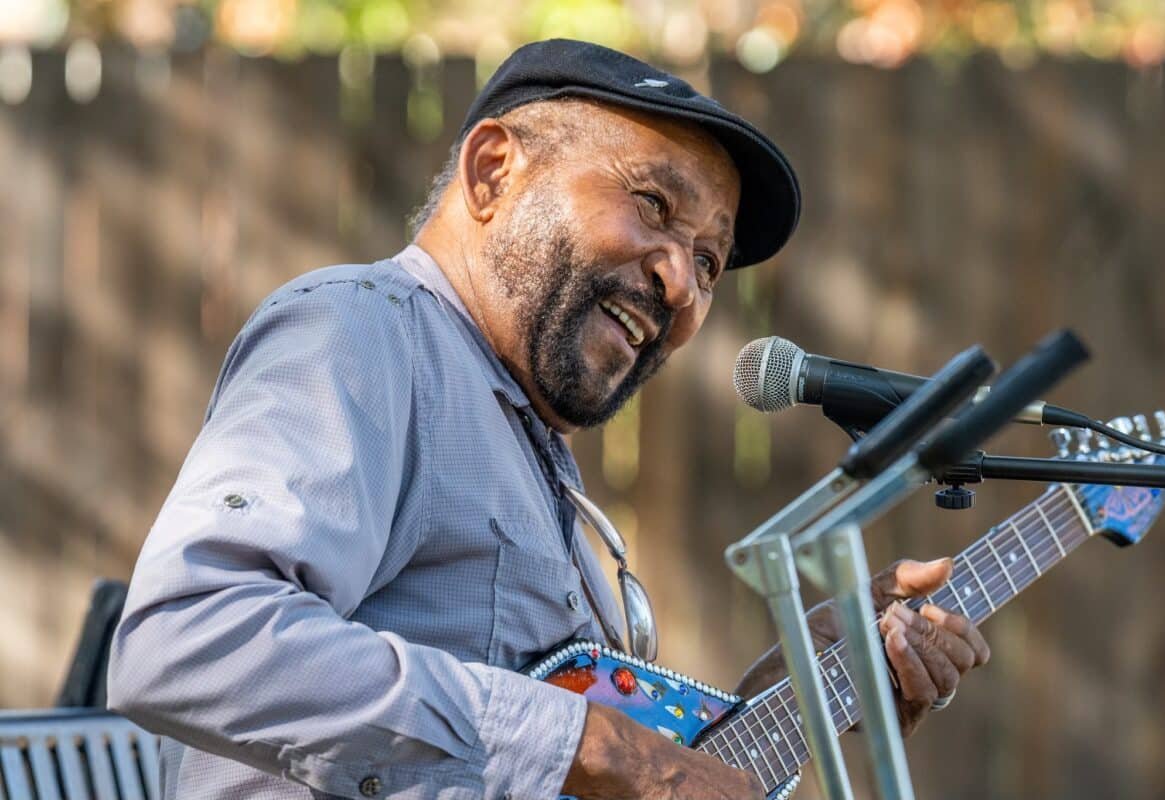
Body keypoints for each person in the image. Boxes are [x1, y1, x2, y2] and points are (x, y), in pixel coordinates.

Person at [107, 39, 990, 800]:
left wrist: (809, 682)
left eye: (709, 261)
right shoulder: (364, 332)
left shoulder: (529, 448)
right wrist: (595, 745)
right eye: (653, 205)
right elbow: (188, 639)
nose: (681, 283)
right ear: (494, 171)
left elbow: (605, 776)